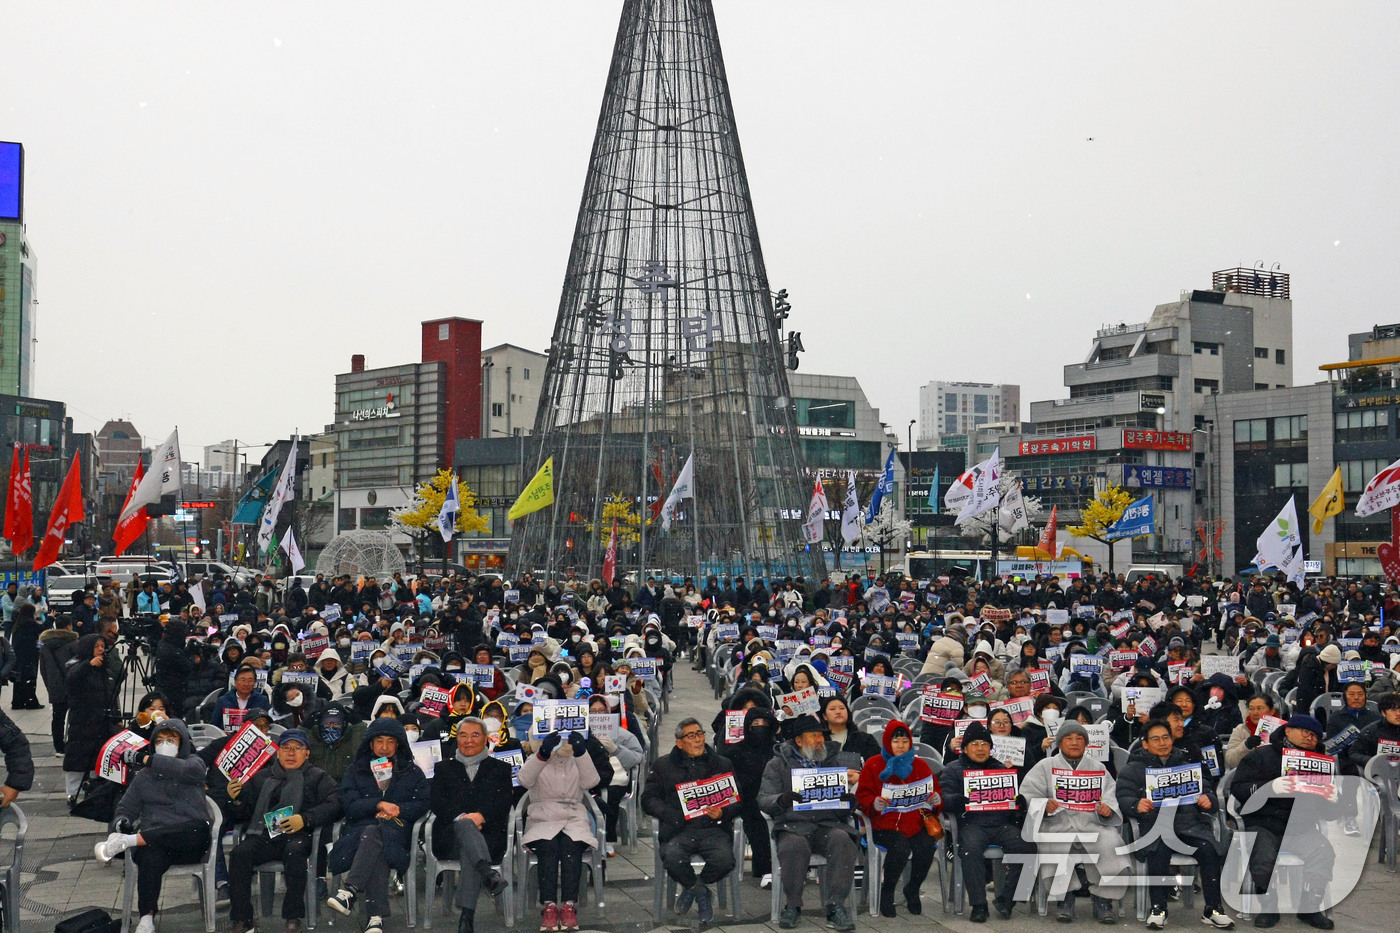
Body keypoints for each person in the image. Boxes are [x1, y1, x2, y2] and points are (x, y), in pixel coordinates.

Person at [92, 719, 212, 933]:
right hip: (157, 846)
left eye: (171, 739)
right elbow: (125, 808)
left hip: (190, 842)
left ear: (182, 742)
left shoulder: (194, 764)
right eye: (159, 740)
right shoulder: (144, 778)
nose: (165, 744)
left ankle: (133, 841)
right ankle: (147, 917)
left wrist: (145, 758)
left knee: (197, 828)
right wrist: (121, 823)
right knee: (148, 855)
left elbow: (180, 769)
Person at [1116, 719, 1235, 929]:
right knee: (1158, 851)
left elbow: (1207, 790)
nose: (1162, 743)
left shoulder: (1186, 765)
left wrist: (1209, 800)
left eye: (1166, 737)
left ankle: (1213, 909)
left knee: (1208, 850)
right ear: (1145, 744)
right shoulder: (1134, 768)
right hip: (1155, 826)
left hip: (1189, 824)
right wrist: (1136, 805)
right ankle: (1159, 908)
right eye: (1155, 739)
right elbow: (1123, 796)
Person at [226, 728, 343, 933]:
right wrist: (235, 799)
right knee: (239, 854)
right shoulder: (261, 777)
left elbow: (335, 805)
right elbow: (244, 815)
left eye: (298, 748)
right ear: (277, 753)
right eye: (286, 748)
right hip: (264, 835)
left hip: (300, 835)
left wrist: (305, 819)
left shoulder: (317, 777)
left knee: (295, 852)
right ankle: (242, 918)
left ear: (307, 753)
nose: (291, 753)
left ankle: (293, 916)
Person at [1230, 714, 1337, 930]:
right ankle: (1269, 906)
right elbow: (1238, 788)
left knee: (1324, 851)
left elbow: (1330, 814)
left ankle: (1310, 906)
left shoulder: (1321, 764)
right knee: (1262, 855)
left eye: (1314, 736)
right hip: (1264, 823)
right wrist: (1269, 787)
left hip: (1301, 827)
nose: (1309, 738)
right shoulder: (1261, 755)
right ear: (1288, 731)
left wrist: (1333, 798)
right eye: (1305, 732)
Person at [326, 717, 431, 933]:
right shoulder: (356, 771)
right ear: (370, 744)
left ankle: (351, 891)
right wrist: (377, 804)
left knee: (378, 837)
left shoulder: (412, 772)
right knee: (374, 838)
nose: (384, 747)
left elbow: (423, 804)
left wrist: (398, 809)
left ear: (399, 744)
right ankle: (375, 917)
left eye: (390, 742)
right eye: (379, 741)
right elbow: (348, 805)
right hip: (358, 832)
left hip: (396, 829)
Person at [757, 714, 861, 931]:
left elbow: (841, 804)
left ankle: (835, 906)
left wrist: (849, 802)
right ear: (798, 740)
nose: (819, 740)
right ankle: (793, 906)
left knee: (843, 841)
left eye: (820, 735)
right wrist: (782, 799)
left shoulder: (833, 761)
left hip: (827, 824)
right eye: (813, 736)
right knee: (793, 846)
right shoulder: (778, 764)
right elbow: (763, 799)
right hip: (792, 825)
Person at [1020, 719, 1129, 923]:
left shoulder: (1097, 767)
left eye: (1080, 738)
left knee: (1111, 844)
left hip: (1092, 824)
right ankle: (1065, 898)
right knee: (1053, 844)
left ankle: (1104, 899)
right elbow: (1027, 794)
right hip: (1058, 824)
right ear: (1059, 743)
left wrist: (1107, 809)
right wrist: (1044, 805)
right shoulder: (1045, 766)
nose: (1074, 742)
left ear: (1086, 744)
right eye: (1069, 738)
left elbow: (1110, 794)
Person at [642, 718, 739, 923]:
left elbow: (737, 801)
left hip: (713, 829)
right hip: (679, 829)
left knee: (725, 860)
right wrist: (672, 815)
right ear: (679, 742)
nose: (698, 740)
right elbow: (648, 800)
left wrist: (722, 813)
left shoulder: (722, 764)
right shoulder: (663, 765)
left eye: (700, 734)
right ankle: (702, 893)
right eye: (691, 736)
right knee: (672, 857)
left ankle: (694, 888)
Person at [939, 721, 1033, 922]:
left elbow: (1013, 800)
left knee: (1028, 848)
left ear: (991, 748)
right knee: (970, 851)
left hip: (1001, 823)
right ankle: (979, 905)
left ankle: (1007, 899)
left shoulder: (1000, 768)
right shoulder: (953, 770)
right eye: (974, 744)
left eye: (984, 744)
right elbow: (942, 798)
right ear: (964, 748)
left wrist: (1018, 802)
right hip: (971, 823)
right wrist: (959, 799)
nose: (980, 748)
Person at [428, 718, 512, 933]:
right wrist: (465, 818)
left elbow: (504, 803)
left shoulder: (500, 769)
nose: (469, 740)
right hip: (449, 838)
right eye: (463, 735)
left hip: (489, 837)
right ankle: (486, 875)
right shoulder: (443, 768)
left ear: (485, 739)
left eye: (475, 735)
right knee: (466, 828)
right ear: (457, 739)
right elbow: (437, 802)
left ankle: (467, 917)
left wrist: (482, 816)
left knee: (470, 848)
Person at [855, 720, 941, 918]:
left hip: (915, 821)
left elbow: (934, 790)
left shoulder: (920, 765)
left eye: (904, 741)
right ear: (887, 742)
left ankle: (913, 888)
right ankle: (888, 890)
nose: (901, 746)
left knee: (927, 844)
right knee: (900, 847)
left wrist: (936, 800)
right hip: (883, 824)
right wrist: (873, 803)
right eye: (896, 741)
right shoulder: (873, 764)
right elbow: (861, 796)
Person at [518, 729, 600, 932]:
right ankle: (549, 905)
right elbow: (524, 780)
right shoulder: (536, 759)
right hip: (543, 817)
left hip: (573, 816)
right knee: (548, 846)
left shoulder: (577, 759)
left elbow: (592, 782)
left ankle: (569, 905)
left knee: (571, 846)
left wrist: (581, 753)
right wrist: (542, 754)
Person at [64, 633, 117, 802]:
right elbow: (72, 679)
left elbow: (112, 694)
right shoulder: (77, 664)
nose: (101, 649)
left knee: (99, 756)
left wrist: (116, 716)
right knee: (77, 758)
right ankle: (73, 792)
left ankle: (96, 788)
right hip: (82, 721)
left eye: (103, 646)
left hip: (102, 721)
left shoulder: (105, 669)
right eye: (97, 646)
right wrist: (88, 665)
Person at [39, 613, 79, 754]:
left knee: (58, 718)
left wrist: (50, 685)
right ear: (69, 626)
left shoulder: (46, 645)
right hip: (73, 686)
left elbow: (43, 669)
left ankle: (59, 747)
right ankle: (74, 743)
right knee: (76, 716)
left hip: (55, 686)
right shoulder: (73, 644)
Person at [213, 666, 273, 730]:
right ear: (235, 682)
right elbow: (214, 725)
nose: (246, 684)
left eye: (250, 681)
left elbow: (268, 724)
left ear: (254, 683)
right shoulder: (223, 700)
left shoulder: (262, 700)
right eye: (243, 680)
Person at [9, 602, 41, 710]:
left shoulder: (18, 623)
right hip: (29, 655)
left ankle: (17, 702)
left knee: (20, 679)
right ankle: (31, 701)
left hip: (19, 655)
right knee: (30, 678)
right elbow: (41, 629)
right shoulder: (29, 623)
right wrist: (51, 618)